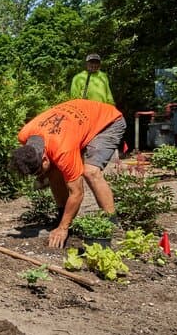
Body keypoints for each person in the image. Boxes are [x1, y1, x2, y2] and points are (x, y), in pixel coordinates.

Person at [10, 99, 125, 249]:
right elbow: (50, 167)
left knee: (90, 171)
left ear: (44, 158)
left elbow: (77, 193)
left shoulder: (63, 150)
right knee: (53, 170)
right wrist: (63, 221)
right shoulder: (24, 135)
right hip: (79, 121)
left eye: (38, 172)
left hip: (107, 122)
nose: (39, 177)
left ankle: (113, 226)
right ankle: (62, 216)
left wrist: (63, 228)